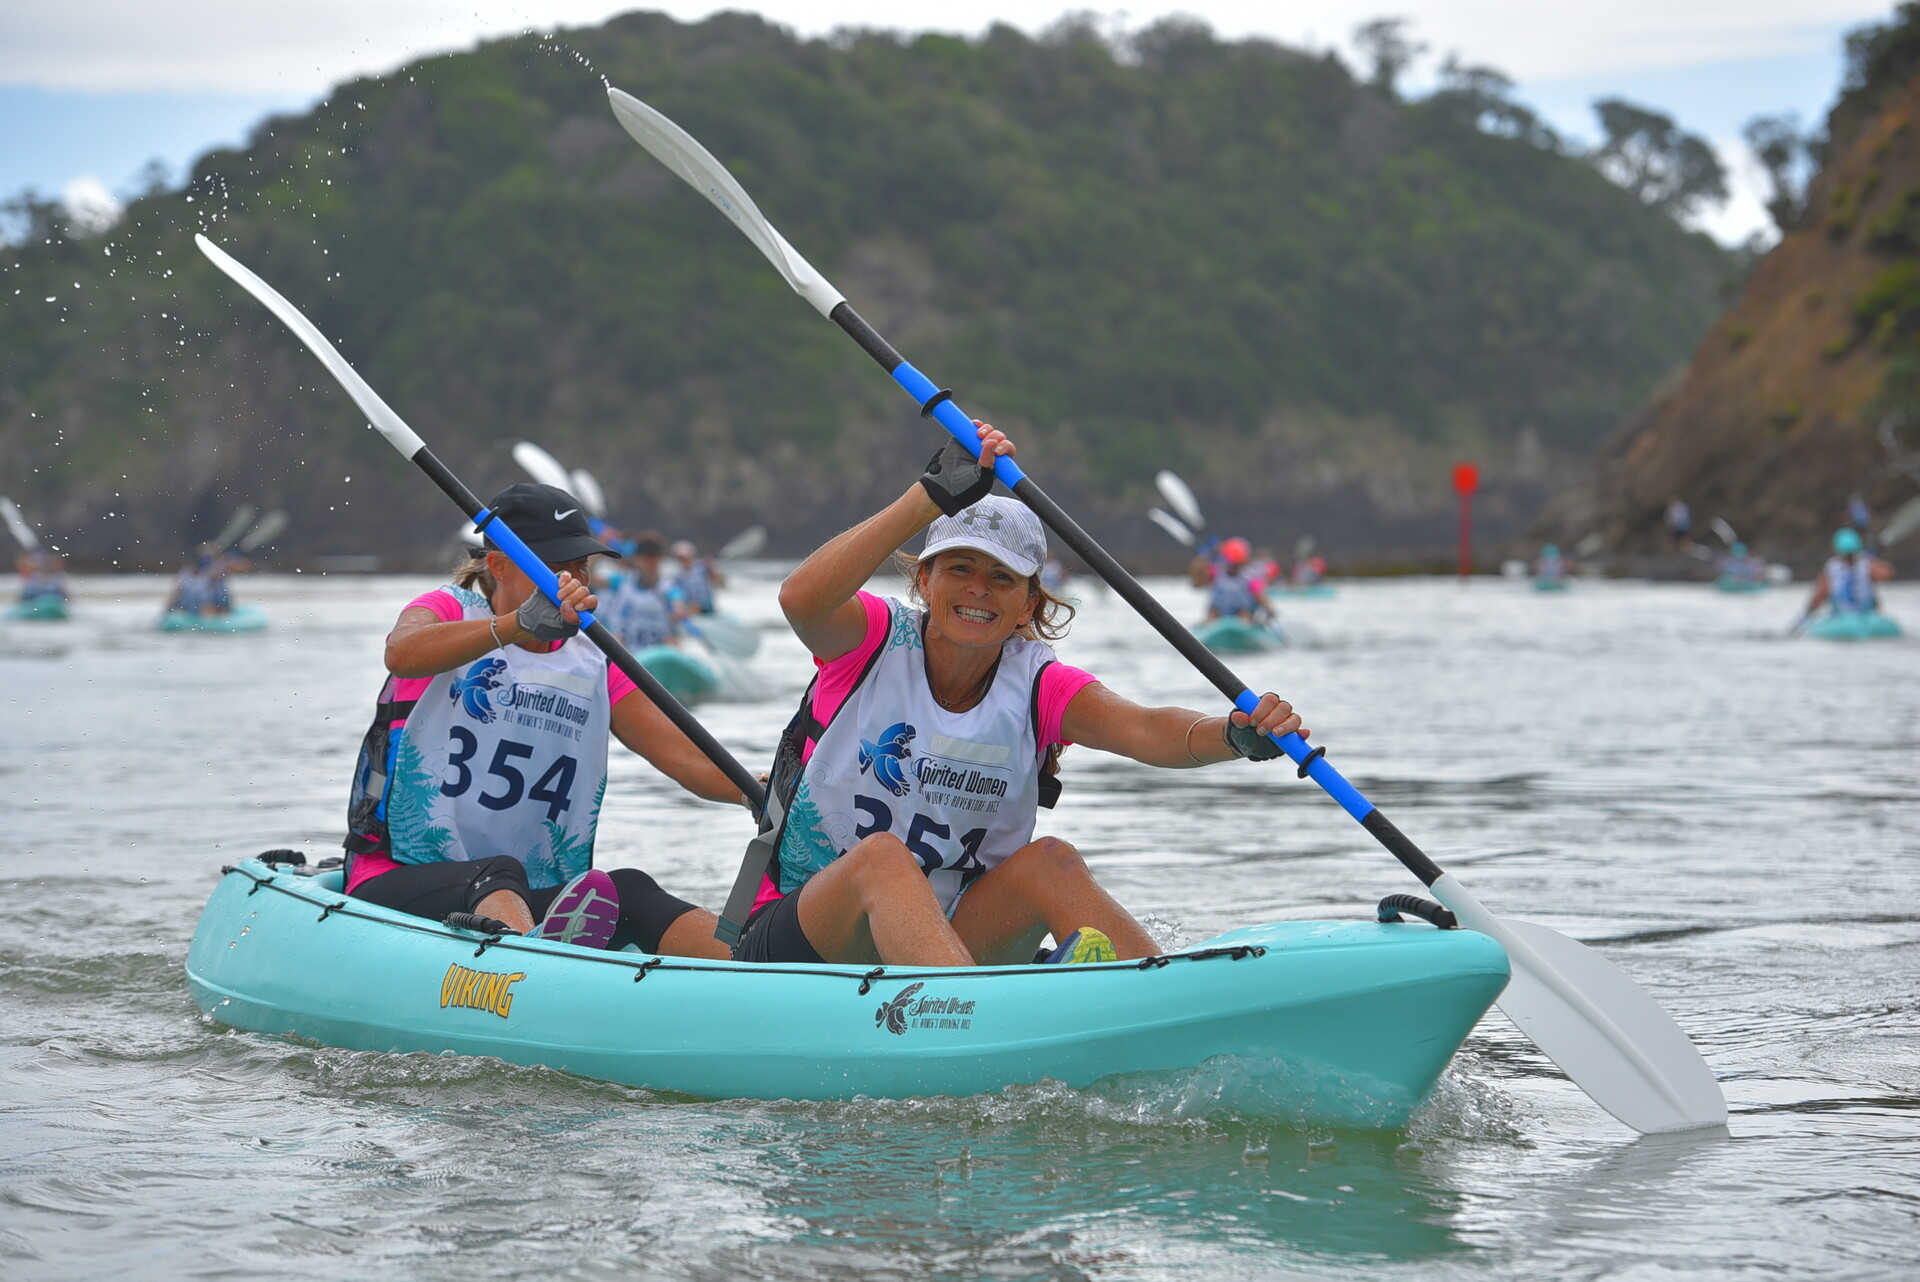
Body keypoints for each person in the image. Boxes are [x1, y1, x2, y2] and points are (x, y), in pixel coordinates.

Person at [729, 422, 1307, 969]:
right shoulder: (870, 639)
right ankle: (974, 1020)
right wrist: (930, 497)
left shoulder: (1036, 684)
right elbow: (800, 599)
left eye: (1002, 578)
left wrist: (1234, 735)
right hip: (801, 937)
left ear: (1029, 604)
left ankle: (1170, 1000)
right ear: (925, 580)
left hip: (944, 939)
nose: (979, 590)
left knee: (1052, 861)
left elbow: (1147, 730)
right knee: (884, 857)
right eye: (960, 568)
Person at [340, 485, 734, 956]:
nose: (570, 581)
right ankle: (535, 972)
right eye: (553, 567)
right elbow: (400, 653)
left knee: (629, 889)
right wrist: (516, 626)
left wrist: (767, 792)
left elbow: (689, 762)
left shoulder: (595, 659)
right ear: (499, 565)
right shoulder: (448, 610)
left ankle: (757, 970)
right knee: (498, 874)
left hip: (523, 891)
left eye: (580, 567)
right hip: (398, 872)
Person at [601, 531, 681, 651]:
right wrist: (601, 545)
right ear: (637, 559)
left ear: (660, 559)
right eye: (646, 559)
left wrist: (678, 610)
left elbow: (678, 605)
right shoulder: (623, 581)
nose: (650, 564)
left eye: (654, 558)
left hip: (656, 658)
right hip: (627, 655)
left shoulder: (669, 587)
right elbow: (592, 579)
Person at [1804, 528, 1893, 618]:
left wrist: (1810, 611)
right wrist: (1870, 558)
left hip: (1844, 619)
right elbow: (1887, 573)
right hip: (1863, 617)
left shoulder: (1831, 567)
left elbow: (1820, 594)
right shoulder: (1866, 564)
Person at [1202, 537, 1273, 622]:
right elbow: (1197, 580)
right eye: (1232, 564)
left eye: (1237, 564)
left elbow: (1261, 597)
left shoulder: (1251, 578)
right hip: (1218, 614)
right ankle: (1209, 624)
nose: (1234, 567)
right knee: (1212, 611)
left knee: (1244, 613)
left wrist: (1269, 609)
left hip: (1242, 615)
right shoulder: (1216, 572)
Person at [669, 539, 725, 615]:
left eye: (685, 558)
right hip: (691, 612)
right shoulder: (678, 578)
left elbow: (721, 583)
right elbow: (676, 594)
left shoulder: (703, 569)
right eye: (681, 558)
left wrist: (711, 571)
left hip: (707, 611)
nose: (683, 561)